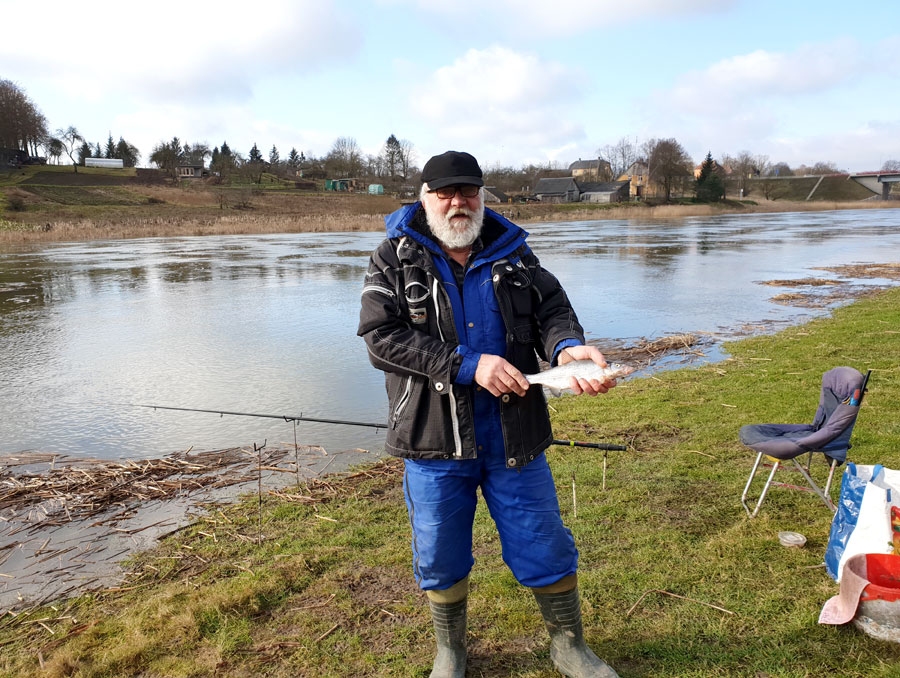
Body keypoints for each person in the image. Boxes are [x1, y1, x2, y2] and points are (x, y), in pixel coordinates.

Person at [358, 150, 620, 678]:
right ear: (425, 198)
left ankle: (568, 645)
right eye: (445, 193)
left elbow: (554, 312)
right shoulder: (394, 257)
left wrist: (567, 348)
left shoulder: (515, 253)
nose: (458, 202)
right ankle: (450, 651)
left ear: (482, 196)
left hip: (515, 436)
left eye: (468, 191)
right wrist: (466, 365)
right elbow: (381, 339)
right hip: (432, 439)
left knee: (544, 543)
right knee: (439, 554)